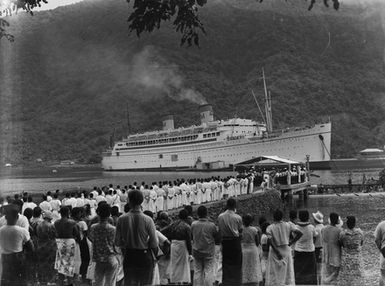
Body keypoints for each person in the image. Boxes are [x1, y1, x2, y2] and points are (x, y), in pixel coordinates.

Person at [115, 189, 158, 286]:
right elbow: (154, 243)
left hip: (129, 255)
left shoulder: (121, 219)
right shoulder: (148, 219)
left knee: (129, 283)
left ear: (129, 201)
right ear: (141, 201)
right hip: (144, 255)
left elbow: (117, 242)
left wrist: (126, 243)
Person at [265, 209, 302, 286]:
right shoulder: (288, 225)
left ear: (273, 217)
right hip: (286, 249)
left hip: (275, 251)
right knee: (287, 272)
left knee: (274, 272)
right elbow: (300, 233)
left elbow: (270, 241)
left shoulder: (270, 227)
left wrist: (276, 251)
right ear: (282, 217)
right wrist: (291, 242)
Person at [0, 204, 34, 286]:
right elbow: (31, 247)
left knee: (6, 280)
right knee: (21, 280)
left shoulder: (1, 230)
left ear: (6, 217)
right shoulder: (22, 231)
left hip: (4, 258)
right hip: (18, 258)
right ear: (17, 217)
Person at [88, 203, 119, 286]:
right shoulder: (113, 229)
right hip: (111, 258)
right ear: (109, 214)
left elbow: (91, 238)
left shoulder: (93, 227)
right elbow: (116, 243)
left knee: (98, 282)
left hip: (98, 259)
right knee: (110, 283)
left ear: (98, 213)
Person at [191, 205, 220, 286]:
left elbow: (192, 235)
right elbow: (217, 238)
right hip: (208, 251)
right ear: (206, 213)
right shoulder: (211, 225)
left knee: (197, 271)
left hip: (196, 250)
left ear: (198, 214)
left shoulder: (194, 224)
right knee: (208, 270)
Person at [218, 198, 243, 286]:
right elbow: (240, 231)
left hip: (225, 241)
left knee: (226, 263)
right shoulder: (238, 217)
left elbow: (220, 230)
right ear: (235, 206)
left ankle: (226, 282)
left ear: (227, 205)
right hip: (235, 242)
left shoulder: (220, 216)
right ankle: (236, 282)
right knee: (236, 263)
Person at [164, 209, 192, 284]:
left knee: (174, 263)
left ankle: (176, 281)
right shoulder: (187, 226)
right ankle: (182, 281)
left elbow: (164, 231)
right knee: (183, 264)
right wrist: (190, 253)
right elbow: (188, 240)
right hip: (182, 244)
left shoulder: (173, 224)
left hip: (173, 244)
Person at [54, 206, 80, 284]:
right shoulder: (72, 222)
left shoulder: (56, 222)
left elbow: (55, 233)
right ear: (68, 213)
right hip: (69, 241)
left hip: (60, 241)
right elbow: (76, 233)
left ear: (60, 213)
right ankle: (70, 283)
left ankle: (61, 282)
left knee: (61, 265)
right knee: (69, 265)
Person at [337, 216, 364, 286]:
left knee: (347, 278)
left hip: (347, 259)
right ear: (355, 223)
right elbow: (361, 243)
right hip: (357, 258)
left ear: (347, 224)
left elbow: (341, 244)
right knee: (358, 277)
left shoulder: (343, 234)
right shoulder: (360, 232)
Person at [294, 210, 318, 285]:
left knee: (299, 270)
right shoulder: (311, 227)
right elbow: (315, 236)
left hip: (298, 250)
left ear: (299, 217)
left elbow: (294, 237)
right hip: (310, 251)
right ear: (308, 217)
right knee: (310, 270)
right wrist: (312, 244)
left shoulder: (295, 227)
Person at [35, 210, 57, 285]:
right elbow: (55, 235)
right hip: (49, 246)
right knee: (50, 263)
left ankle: (41, 279)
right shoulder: (51, 225)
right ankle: (50, 280)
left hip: (40, 245)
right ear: (50, 218)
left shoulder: (39, 225)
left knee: (41, 263)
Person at [241, 214, 263, 285]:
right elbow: (257, 242)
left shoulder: (241, 229)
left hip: (243, 249)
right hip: (253, 249)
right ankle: (253, 280)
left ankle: (245, 279)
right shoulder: (254, 229)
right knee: (253, 265)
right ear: (251, 221)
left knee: (244, 265)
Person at [322, 212, 342, 285]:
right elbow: (340, 242)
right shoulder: (339, 230)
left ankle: (326, 282)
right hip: (335, 254)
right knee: (335, 275)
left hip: (326, 254)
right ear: (337, 220)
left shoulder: (323, 228)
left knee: (327, 273)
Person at [312, 210, 325, 285]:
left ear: (315, 220)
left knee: (317, 269)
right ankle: (321, 283)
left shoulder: (315, 229)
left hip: (316, 249)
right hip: (323, 248)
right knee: (321, 268)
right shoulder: (324, 227)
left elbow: (313, 240)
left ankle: (318, 283)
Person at [375, 218, 385, 286]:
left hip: (384, 250)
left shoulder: (381, 224)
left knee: (383, 273)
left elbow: (377, 240)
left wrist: (381, 250)